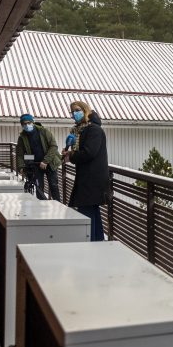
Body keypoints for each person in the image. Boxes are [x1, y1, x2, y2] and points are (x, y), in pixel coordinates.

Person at [63, 100, 109, 241]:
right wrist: (69, 151)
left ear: (85, 110)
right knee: (92, 211)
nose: (75, 113)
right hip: (86, 177)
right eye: (73, 111)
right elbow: (82, 151)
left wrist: (71, 156)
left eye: (78, 110)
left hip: (93, 179)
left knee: (86, 212)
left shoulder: (94, 129)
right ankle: (97, 241)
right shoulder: (81, 130)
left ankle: (90, 242)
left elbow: (89, 153)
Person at [15, 113, 60, 200]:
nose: (27, 125)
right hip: (35, 164)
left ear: (33, 122)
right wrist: (20, 167)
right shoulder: (22, 137)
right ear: (22, 125)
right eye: (24, 124)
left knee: (53, 185)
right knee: (39, 187)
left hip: (50, 163)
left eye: (28, 122)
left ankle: (58, 204)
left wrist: (45, 161)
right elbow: (20, 154)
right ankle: (41, 206)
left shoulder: (44, 131)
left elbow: (54, 146)